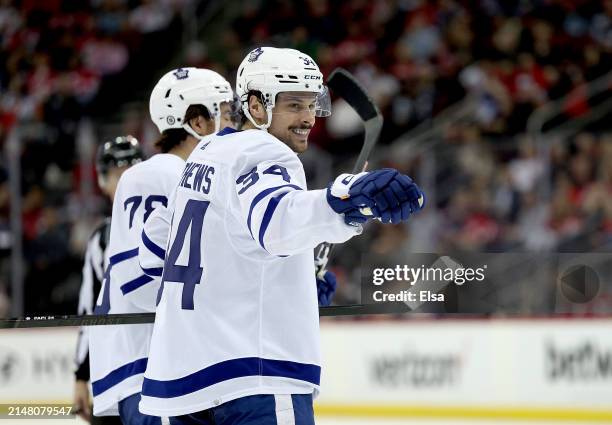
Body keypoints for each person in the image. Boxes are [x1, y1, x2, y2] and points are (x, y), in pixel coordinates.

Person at [138, 47, 424, 424]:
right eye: (294, 105)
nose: (308, 119)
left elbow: (154, 248)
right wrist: (348, 199)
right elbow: (277, 221)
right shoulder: (265, 150)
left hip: (182, 383)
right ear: (256, 106)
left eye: (312, 104)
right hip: (253, 377)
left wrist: (293, 283)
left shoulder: (204, 154)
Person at [88, 67, 237, 425]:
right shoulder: (159, 174)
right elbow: (141, 280)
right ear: (195, 121)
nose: (235, 121)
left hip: (164, 368)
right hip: (150, 367)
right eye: (225, 111)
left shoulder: (187, 173)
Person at [74, 135, 143, 424]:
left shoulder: (168, 221)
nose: (126, 180)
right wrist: (81, 376)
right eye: (117, 174)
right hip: (116, 373)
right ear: (103, 182)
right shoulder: (101, 238)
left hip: (164, 367)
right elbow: (90, 312)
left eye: (132, 170)